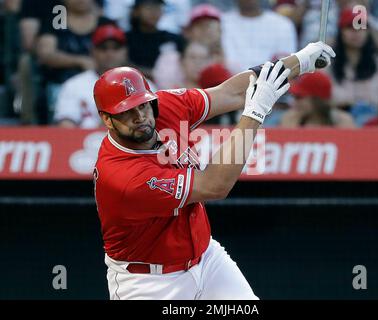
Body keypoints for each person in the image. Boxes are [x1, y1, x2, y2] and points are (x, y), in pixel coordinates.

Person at [92, 41, 335, 300]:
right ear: (107, 119)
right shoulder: (122, 176)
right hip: (149, 282)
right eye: (127, 112)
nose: (140, 116)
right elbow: (215, 185)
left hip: (206, 259)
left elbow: (230, 92)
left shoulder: (163, 107)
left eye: (143, 105)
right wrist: (255, 113)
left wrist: (300, 61)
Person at [328, 8, 378, 127]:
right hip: (340, 120)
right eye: (350, 28)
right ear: (341, 31)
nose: (356, 33)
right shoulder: (328, 63)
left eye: (361, 28)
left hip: (376, 120)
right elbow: (320, 100)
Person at [53, 24, 128, 128]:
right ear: (93, 51)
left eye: (116, 48)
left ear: (125, 51)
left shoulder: (141, 83)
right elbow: (65, 126)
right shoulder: (74, 85)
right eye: (103, 48)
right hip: (84, 142)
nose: (110, 53)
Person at [221, 0, 298, 72]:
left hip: (272, 81)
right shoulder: (221, 22)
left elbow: (286, 63)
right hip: (228, 81)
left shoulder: (282, 24)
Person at [126, 0, 185, 78]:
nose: (153, 12)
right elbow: (122, 63)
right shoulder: (125, 39)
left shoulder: (173, 39)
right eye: (149, 7)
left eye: (157, 7)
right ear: (136, 11)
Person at [280, 72, 355, 128]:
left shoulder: (341, 121)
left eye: (299, 97)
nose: (294, 102)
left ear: (317, 99)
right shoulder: (290, 119)